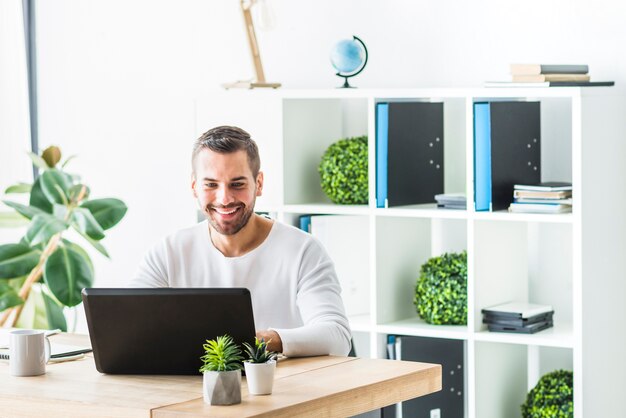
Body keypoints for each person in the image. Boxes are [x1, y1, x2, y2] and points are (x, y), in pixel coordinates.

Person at [130, 126, 351, 357]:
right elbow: (127, 322)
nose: (224, 199)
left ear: (259, 183)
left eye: (237, 184)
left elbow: (336, 337)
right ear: (195, 186)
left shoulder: (303, 250)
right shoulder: (169, 252)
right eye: (211, 184)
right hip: (189, 387)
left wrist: (258, 340)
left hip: (281, 388)